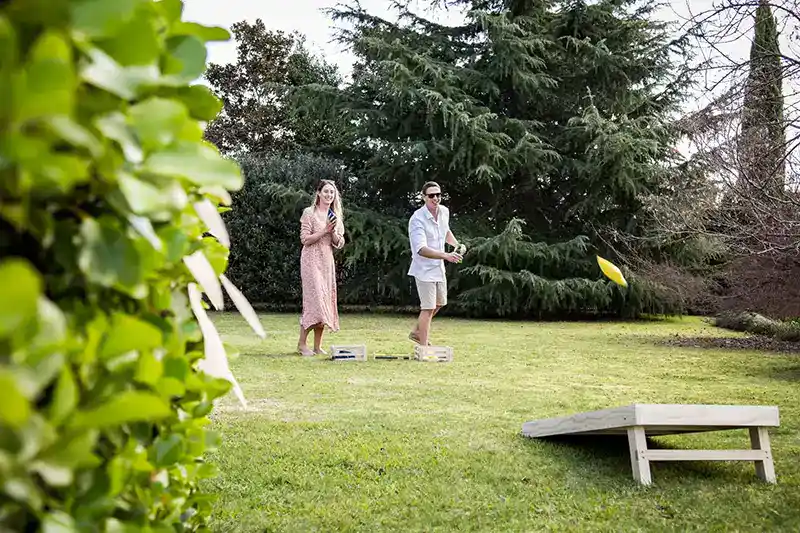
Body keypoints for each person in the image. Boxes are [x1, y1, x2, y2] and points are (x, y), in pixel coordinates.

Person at [407, 181, 463, 346]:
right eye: (431, 195)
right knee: (428, 307)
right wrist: (446, 255)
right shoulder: (417, 218)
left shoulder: (444, 211)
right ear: (424, 197)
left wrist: (457, 245)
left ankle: (417, 332)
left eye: (438, 195)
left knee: (440, 303)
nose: (436, 198)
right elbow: (421, 249)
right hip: (423, 269)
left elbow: (445, 231)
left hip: (438, 267)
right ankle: (423, 347)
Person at [297, 179, 345, 356]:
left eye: (332, 193)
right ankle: (302, 344)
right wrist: (324, 230)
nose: (329, 195)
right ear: (318, 193)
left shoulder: (335, 216)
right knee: (314, 301)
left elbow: (339, 242)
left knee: (325, 301)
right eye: (326, 191)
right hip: (311, 261)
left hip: (327, 261)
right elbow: (305, 240)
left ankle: (317, 347)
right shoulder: (309, 213)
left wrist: (333, 232)